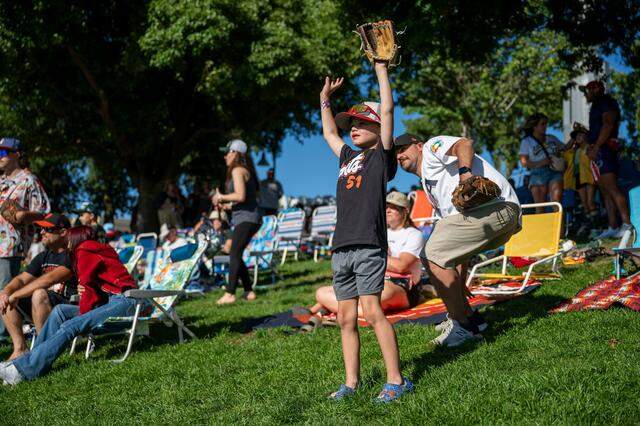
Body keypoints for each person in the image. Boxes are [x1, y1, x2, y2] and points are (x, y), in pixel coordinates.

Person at [319, 62, 413, 403]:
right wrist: (324, 99)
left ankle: (396, 381)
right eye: (352, 124)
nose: (354, 128)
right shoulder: (347, 157)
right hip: (340, 247)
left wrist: (380, 69)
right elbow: (331, 133)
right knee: (346, 317)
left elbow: (387, 108)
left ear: (377, 129)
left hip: (369, 246)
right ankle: (351, 384)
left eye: (362, 123)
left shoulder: (380, 159)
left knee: (372, 312)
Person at [395, 132, 521, 347]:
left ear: (418, 145)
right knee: (437, 251)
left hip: (495, 208)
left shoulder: (432, 146)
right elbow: (454, 247)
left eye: (402, 148)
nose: (398, 155)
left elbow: (464, 143)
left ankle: (462, 327)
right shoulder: (431, 185)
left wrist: (465, 174)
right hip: (493, 216)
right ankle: (471, 320)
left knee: (431, 253)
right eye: (395, 153)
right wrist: (458, 284)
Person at [0, 225, 138, 384]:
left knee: (72, 325)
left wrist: (84, 315)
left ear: (77, 237)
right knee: (59, 311)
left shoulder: (85, 249)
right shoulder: (87, 251)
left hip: (125, 301)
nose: (67, 242)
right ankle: (28, 363)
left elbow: (87, 287)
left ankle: (22, 370)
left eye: (69, 238)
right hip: (110, 301)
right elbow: (96, 288)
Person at [310, 192, 425, 316]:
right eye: (385, 206)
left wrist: (372, 255)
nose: (387, 210)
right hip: (374, 279)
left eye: (393, 207)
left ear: (405, 211)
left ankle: (329, 309)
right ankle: (352, 310)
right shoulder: (380, 233)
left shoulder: (414, 234)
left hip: (402, 287)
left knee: (382, 294)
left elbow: (401, 266)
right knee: (321, 292)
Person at [0, 214, 75, 360]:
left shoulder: (72, 255)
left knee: (39, 293)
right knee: (6, 297)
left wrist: (16, 295)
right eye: (40, 229)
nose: (41, 233)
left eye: (47, 229)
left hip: (67, 305)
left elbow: (48, 280)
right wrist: (6, 292)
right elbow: (22, 279)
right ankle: (20, 348)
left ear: (63, 232)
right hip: (42, 305)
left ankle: (43, 349)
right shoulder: (43, 256)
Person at [0, 137, 50, 342]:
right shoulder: (1, 181)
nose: (0, 157)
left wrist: (23, 216)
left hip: (9, 245)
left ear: (17, 154)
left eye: (4, 152)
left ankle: (5, 337)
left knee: (4, 291)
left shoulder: (29, 180)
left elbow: (45, 212)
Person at [212, 139, 262, 305]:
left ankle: (230, 293)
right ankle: (248, 291)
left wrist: (221, 197)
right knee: (234, 251)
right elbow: (243, 199)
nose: (225, 156)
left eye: (227, 152)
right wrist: (226, 205)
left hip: (247, 218)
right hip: (247, 217)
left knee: (233, 252)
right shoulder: (243, 170)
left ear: (235, 153)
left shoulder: (237, 170)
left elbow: (240, 195)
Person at [581, 80, 631, 239]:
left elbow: (608, 124)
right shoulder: (595, 107)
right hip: (597, 151)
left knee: (612, 187)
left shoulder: (606, 102)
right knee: (604, 190)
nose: (586, 94)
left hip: (605, 150)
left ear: (596, 89)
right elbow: (596, 130)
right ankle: (613, 226)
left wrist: (596, 147)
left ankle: (628, 224)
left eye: (588, 91)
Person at [519, 113, 564, 213]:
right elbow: (524, 162)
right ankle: (544, 227)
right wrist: (541, 162)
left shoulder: (551, 138)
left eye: (546, 124)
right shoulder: (527, 141)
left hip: (554, 171)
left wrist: (575, 136)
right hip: (538, 174)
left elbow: (565, 148)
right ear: (534, 126)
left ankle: (559, 228)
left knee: (557, 202)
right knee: (540, 208)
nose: (545, 126)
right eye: (542, 124)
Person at [563, 123, 598, 235]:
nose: (578, 137)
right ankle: (592, 228)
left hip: (588, 177)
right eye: (576, 136)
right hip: (578, 178)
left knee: (590, 201)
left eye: (580, 135)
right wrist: (573, 138)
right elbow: (564, 150)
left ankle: (597, 228)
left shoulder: (589, 147)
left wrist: (582, 130)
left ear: (586, 136)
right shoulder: (573, 152)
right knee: (585, 205)